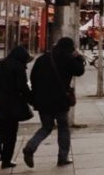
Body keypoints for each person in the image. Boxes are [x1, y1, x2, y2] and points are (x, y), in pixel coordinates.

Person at [24, 37, 85, 168]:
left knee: (46, 127)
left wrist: (35, 97)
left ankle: (30, 146)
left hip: (42, 100)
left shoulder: (42, 59)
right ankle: (63, 157)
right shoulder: (68, 59)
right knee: (63, 127)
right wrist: (79, 57)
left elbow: (33, 78)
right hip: (60, 100)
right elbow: (79, 71)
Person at [0, 45, 35, 168]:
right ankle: (5, 159)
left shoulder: (0, 65)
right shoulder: (18, 67)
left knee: (3, 129)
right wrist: (32, 100)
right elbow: (22, 88)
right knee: (11, 132)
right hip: (10, 106)